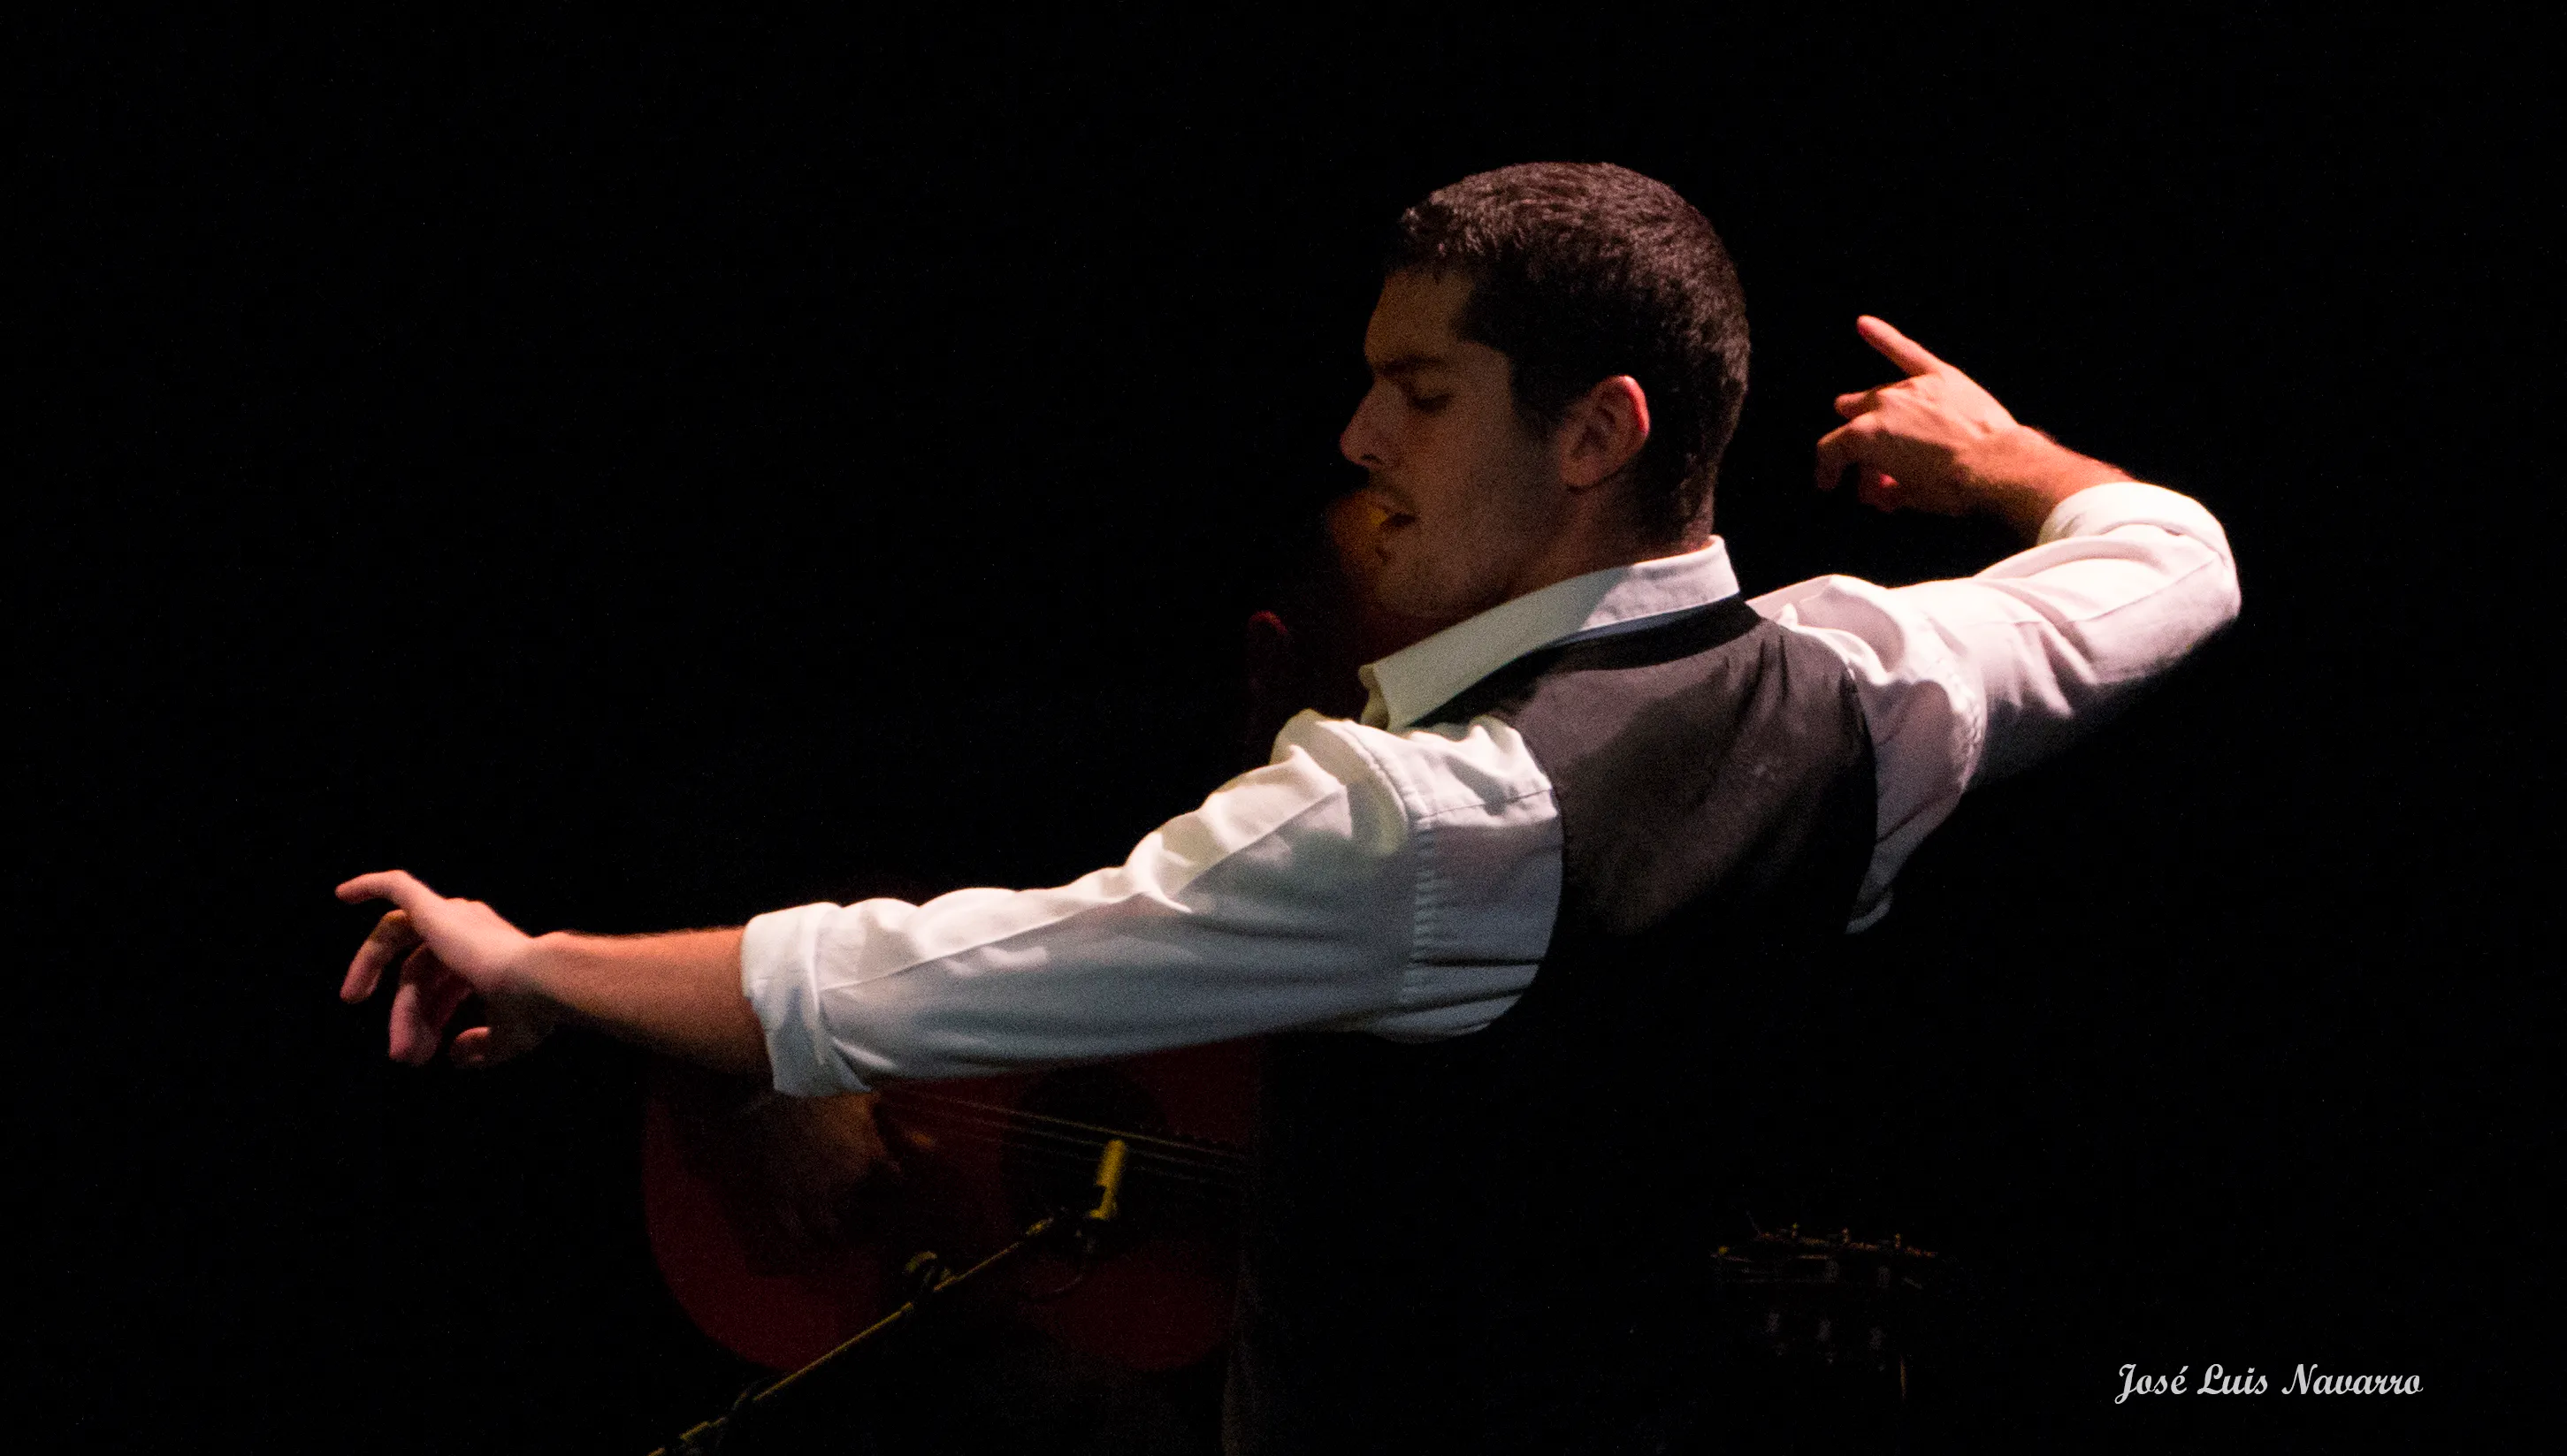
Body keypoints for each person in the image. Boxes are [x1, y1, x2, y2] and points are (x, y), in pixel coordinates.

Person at [339, 162, 2240, 1452]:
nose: (1358, 435)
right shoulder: (1867, 683)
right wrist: (2004, 460)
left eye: (1421, 390)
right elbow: (2169, 561)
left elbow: (922, 976)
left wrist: (539, 962)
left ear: (1596, 432)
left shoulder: (1435, 814)